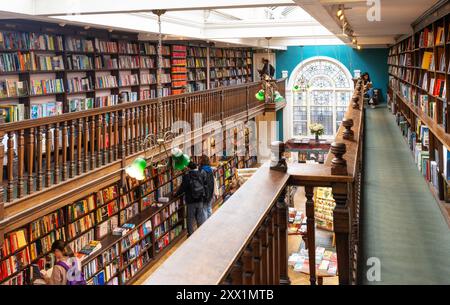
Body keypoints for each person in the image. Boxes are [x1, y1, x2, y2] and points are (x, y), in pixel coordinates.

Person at [176, 161, 207, 236]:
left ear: (188, 168)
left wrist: (176, 194)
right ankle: (201, 233)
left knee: (190, 219)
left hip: (190, 201)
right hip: (200, 199)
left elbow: (182, 188)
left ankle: (191, 235)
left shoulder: (186, 176)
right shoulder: (201, 174)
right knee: (199, 217)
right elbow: (205, 185)